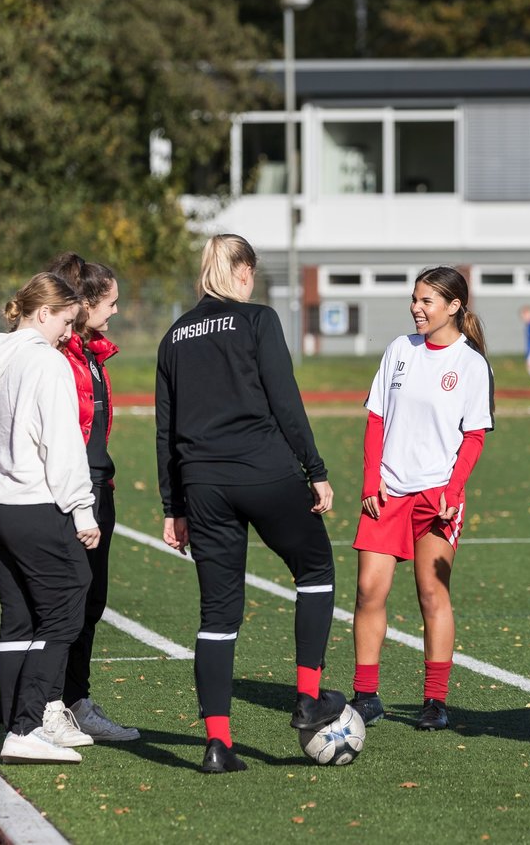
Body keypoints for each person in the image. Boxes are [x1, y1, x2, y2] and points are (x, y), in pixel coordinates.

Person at [156, 234, 345, 774]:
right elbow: (285, 399)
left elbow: (165, 431)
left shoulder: (174, 336)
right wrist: (316, 470)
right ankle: (308, 700)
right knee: (315, 569)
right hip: (264, 471)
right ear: (240, 271)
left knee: (217, 614)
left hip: (203, 486)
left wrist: (174, 507)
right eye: (251, 274)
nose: (252, 283)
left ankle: (218, 745)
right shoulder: (257, 320)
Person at [351, 266, 493, 732]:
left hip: (437, 496)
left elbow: (473, 437)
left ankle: (435, 700)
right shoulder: (399, 350)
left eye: (427, 301)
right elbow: (376, 417)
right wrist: (372, 480)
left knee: (432, 595)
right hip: (387, 492)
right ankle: (366, 695)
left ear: (454, 307)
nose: (416, 308)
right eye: (414, 299)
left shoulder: (471, 364)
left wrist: (452, 492)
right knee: (370, 589)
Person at [0, 273, 99, 765]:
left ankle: (15, 722)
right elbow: (61, 443)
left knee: (19, 617)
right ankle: (29, 724)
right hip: (32, 501)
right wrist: (82, 507)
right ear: (43, 313)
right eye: (66, 321)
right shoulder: (46, 363)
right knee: (68, 600)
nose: (69, 334)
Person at [48, 252, 139, 742]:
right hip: (70, 495)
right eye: (111, 302)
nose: (117, 311)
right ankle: (48, 703)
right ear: (82, 304)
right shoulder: (60, 357)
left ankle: (73, 700)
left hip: (100, 488)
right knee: (67, 601)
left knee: (92, 600)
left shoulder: (94, 353)